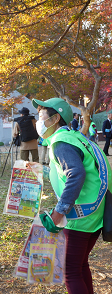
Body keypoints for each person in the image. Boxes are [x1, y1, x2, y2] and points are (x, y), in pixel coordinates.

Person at [32, 97, 112, 294]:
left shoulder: (61, 143)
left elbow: (76, 173)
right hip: (96, 211)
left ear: (55, 118)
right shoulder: (74, 137)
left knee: (70, 272)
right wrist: (41, 169)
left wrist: (59, 211)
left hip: (79, 216)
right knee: (80, 265)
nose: (38, 121)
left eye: (41, 116)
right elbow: (72, 166)